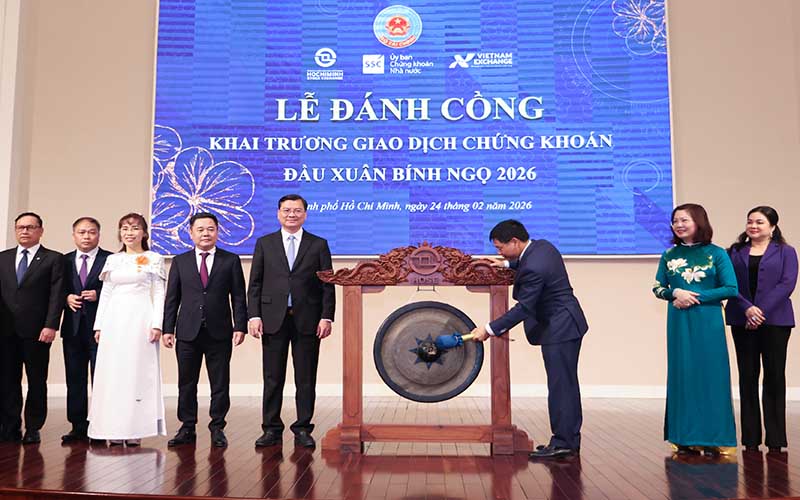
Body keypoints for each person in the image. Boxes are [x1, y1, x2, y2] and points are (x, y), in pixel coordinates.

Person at [471, 219, 588, 460]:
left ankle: (564, 444)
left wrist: (489, 329)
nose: (499, 253)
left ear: (514, 241)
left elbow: (524, 308)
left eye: (500, 248)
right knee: (563, 385)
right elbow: (525, 263)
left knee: (561, 387)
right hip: (564, 323)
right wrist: (507, 263)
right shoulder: (543, 247)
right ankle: (567, 441)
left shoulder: (534, 267)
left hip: (560, 328)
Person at [248, 194, 335, 448]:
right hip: (272, 319)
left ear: (305, 214)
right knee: (272, 378)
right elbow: (255, 283)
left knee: (305, 378)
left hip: (308, 320)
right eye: (287, 210)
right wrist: (254, 315)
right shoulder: (265, 243)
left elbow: (327, 285)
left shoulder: (318, 244)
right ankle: (271, 429)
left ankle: (303, 428)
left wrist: (326, 316)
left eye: (297, 211)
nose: (292, 215)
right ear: (278, 214)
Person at [652, 203, 738, 456]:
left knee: (711, 375)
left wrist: (694, 297)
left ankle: (714, 439)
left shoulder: (717, 253)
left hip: (708, 321)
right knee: (683, 374)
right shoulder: (669, 255)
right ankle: (684, 438)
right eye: (675, 220)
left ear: (699, 222)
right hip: (678, 321)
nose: (678, 225)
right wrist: (674, 293)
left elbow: (731, 288)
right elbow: (657, 287)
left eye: (684, 220)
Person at [163, 212, 248, 448]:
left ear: (217, 232)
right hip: (187, 332)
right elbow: (172, 298)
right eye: (200, 229)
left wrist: (240, 326)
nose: (205, 233)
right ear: (191, 233)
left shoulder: (230, 260)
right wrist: (168, 328)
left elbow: (238, 296)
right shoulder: (180, 261)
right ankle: (187, 426)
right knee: (186, 382)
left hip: (219, 331)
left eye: (210, 229)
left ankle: (217, 427)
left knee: (219, 382)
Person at [88, 213, 167, 446]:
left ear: (144, 233)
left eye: (134, 228)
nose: (129, 233)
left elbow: (159, 293)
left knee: (137, 372)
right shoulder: (113, 260)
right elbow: (106, 293)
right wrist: (99, 325)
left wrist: (157, 324)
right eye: (124, 228)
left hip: (140, 319)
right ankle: (112, 427)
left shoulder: (153, 258)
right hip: (114, 321)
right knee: (112, 372)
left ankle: (135, 428)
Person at [725, 206, 797, 453]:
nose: (753, 226)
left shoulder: (786, 252)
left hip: (776, 321)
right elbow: (729, 284)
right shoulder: (734, 252)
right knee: (747, 377)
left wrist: (759, 311)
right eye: (750, 222)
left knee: (774, 376)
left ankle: (775, 439)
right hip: (741, 319)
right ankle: (750, 438)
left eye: (760, 222)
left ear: (772, 227)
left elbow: (787, 284)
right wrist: (748, 309)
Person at [0, 212, 64, 444]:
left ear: (40, 231)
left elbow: (56, 296)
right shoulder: (3, 258)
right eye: (20, 227)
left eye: (30, 227)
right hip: (5, 331)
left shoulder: (53, 259)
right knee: (7, 380)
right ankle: (10, 426)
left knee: (36, 380)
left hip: (38, 331)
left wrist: (51, 325)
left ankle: (33, 427)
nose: (25, 231)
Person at [60, 217, 112, 443]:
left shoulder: (110, 259)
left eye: (91, 232)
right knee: (74, 378)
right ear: (74, 235)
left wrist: (98, 295)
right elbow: (55, 290)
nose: (87, 236)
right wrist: (66, 298)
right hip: (72, 329)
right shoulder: (64, 260)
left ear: (98, 235)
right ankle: (78, 425)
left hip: (101, 329)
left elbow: (118, 290)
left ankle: (101, 425)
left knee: (100, 379)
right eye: (82, 232)